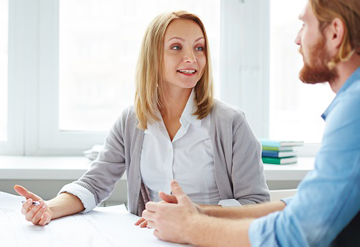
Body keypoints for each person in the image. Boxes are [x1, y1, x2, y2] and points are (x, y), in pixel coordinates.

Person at [141, 0, 360, 246]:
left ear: (335, 32)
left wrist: (189, 227)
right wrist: (199, 212)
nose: (297, 38)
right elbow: (306, 207)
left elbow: (297, 232)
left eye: (304, 24)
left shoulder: (359, 105)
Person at [14, 10, 270, 227]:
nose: (191, 58)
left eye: (199, 47)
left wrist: (192, 214)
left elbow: (257, 205)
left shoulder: (231, 123)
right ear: (153, 56)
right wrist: (48, 208)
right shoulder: (131, 121)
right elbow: (94, 184)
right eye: (176, 47)